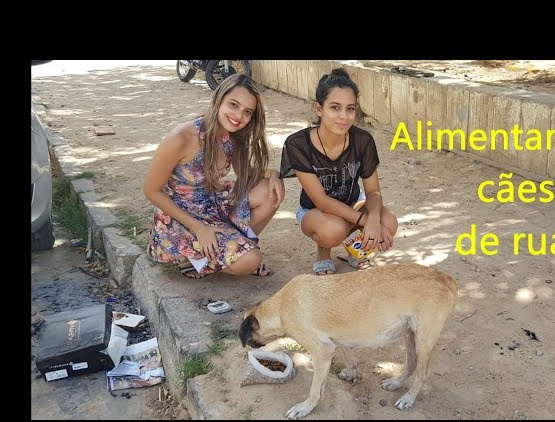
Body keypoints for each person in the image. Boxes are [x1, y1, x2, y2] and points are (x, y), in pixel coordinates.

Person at [144, 74, 285, 278]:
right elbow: (151, 190)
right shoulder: (181, 138)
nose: (239, 116)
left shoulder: (231, 136)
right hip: (179, 216)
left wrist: (273, 174)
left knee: (271, 192)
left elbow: (246, 172)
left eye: (247, 112)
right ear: (218, 99)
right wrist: (199, 228)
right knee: (251, 260)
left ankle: (227, 250)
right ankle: (196, 258)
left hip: (212, 204)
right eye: (233, 105)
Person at [280, 68, 398, 275]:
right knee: (333, 230)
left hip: (353, 202)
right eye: (335, 107)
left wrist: (373, 220)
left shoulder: (363, 140)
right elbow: (321, 201)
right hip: (315, 211)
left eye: (350, 109)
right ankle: (323, 252)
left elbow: (373, 192)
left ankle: (357, 249)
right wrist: (366, 221)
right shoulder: (298, 144)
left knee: (388, 221)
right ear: (319, 109)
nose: (344, 117)